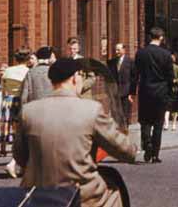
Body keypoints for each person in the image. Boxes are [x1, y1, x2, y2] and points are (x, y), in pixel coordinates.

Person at [13, 57, 136, 207]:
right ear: (74, 78)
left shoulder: (28, 111)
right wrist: (132, 148)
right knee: (114, 190)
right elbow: (124, 149)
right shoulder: (91, 110)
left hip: (38, 191)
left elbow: (20, 155)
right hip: (81, 194)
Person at [135, 27, 174, 163]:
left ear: (149, 37)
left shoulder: (141, 53)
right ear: (161, 38)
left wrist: (132, 91)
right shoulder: (166, 54)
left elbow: (135, 74)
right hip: (161, 92)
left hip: (145, 91)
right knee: (158, 123)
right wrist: (170, 93)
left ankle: (147, 145)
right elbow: (170, 77)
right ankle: (155, 154)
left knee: (145, 122)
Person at [1, 49, 33, 177]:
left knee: (15, 136)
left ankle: (21, 166)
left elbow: (3, 89)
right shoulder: (27, 72)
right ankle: (16, 164)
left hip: (7, 102)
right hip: (19, 102)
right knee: (23, 136)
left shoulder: (8, 70)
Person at [108, 43, 135, 123]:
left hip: (126, 92)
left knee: (125, 113)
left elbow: (134, 78)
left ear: (124, 50)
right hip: (115, 92)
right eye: (116, 50)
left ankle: (125, 130)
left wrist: (131, 93)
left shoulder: (130, 61)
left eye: (118, 50)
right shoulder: (112, 62)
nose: (116, 52)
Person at [165, 53, 178, 131]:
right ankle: (173, 124)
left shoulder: (166, 69)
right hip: (175, 90)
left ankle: (167, 124)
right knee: (174, 108)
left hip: (169, 90)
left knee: (167, 107)